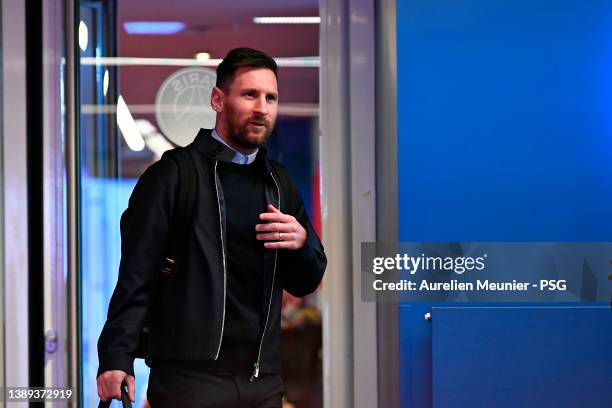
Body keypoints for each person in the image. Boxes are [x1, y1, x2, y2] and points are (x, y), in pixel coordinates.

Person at [96, 47, 327, 407]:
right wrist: (116, 357)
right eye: (249, 94)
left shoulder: (280, 183)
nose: (262, 108)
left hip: (262, 382)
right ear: (218, 99)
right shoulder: (173, 176)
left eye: (271, 97)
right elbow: (136, 276)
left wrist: (302, 243)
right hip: (189, 382)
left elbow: (305, 281)